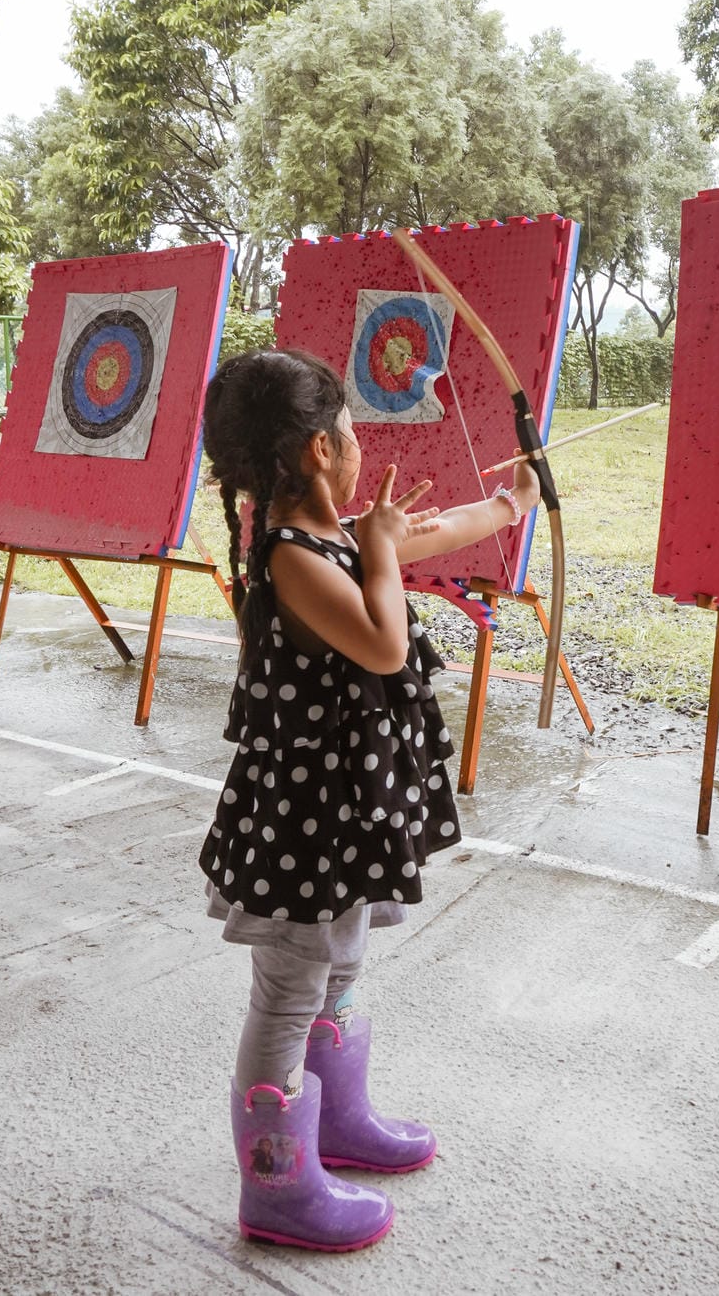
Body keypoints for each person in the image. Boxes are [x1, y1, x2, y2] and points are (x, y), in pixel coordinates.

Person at [200, 347, 540, 1253]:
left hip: (343, 813)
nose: (358, 446)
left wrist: (516, 501)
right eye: (348, 432)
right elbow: (385, 646)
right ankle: (273, 1188)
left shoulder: (335, 534)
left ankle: (336, 1125)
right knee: (290, 988)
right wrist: (383, 546)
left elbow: (433, 530)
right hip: (304, 828)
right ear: (317, 449)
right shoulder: (294, 558)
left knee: (337, 965)